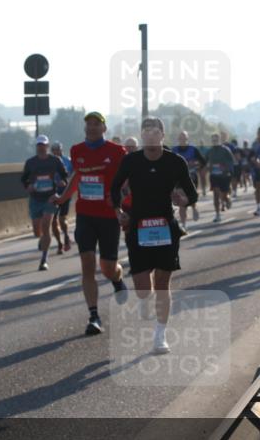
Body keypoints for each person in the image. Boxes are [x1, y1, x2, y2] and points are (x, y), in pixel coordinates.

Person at [111, 117, 199, 354]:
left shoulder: (175, 161)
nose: (150, 134)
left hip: (165, 226)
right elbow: (114, 187)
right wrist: (119, 211)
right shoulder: (131, 161)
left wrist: (184, 200)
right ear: (142, 135)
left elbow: (192, 193)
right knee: (142, 288)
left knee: (162, 283)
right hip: (137, 225)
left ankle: (160, 336)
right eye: (145, 131)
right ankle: (143, 300)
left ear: (162, 134)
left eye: (154, 131)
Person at [51, 111, 128, 335]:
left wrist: (120, 200)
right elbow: (77, 176)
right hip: (85, 215)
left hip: (108, 216)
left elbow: (125, 179)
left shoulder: (116, 151)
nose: (92, 128)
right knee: (87, 265)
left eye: (97, 124)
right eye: (89, 125)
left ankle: (117, 278)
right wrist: (63, 198)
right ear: (85, 129)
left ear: (104, 129)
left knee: (107, 268)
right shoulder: (77, 151)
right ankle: (94, 316)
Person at [22, 135, 69, 271]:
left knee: (46, 227)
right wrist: (28, 186)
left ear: (47, 146)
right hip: (36, 199)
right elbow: (24, 179)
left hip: (50, 198)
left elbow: (65, 177)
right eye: (39, 146)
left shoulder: (55, 161)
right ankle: (42, 240)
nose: (41, 148)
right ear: (36, 147)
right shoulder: (30, 162)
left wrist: (62, 183)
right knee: (38, 232)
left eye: (43, 145)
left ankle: (44, 259)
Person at [171, 130, 206, 228]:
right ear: (178, 139)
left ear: (187, 139)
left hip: (192, 177)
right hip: (178, 180)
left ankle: (194, 208)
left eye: (184, 138)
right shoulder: (174, 150)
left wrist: (196, 165)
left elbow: (203, 161)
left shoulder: (193, 149)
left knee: (190, 198)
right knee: (182, 201)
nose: (182, 140)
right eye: (181, 138)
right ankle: (184, 225)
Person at [50, 141, 73, 254]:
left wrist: (66, 182)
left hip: (65, 192)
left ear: (61, 150)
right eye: (53, 150)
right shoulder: (48, 162)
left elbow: (73, 175)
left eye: (57, 150)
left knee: (62, 218)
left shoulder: (68, 161)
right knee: (53, 220)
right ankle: (59, 243)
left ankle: (66, 236)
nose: (55, 152)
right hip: (52, 193)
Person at [205, 133, 234, 222]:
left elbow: (231, 161)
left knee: (223, 195)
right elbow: (205, 161)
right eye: (213, 140)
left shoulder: (225, 150)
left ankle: (227, 199)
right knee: (216, 194)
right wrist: (207, 166)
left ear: (219, 140)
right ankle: (217, 215)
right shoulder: (210, 151)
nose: (215, 141)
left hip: (224, 176)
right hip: (214, 175)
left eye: (216, 140)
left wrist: (226, 168)